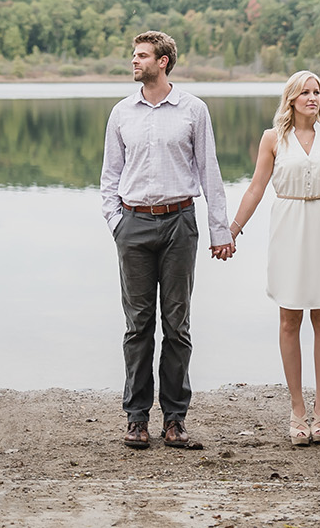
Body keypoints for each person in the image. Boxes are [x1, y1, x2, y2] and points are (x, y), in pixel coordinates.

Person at [101, 30, 235, 450]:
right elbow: (110, 176)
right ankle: (137, 419)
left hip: (180, 223)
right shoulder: (122, 112)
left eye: (141, 56)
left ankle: (175, 420)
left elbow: (209, 171)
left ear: (163, 61)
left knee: (177, 326)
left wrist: (220, 229)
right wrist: (116, 223)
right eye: (133, 56)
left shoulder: (193, 110)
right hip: (134, 226)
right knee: (138, 326)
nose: (134, 62)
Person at [228, 71, 320, 447]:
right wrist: (232, 229)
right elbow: (256, 187)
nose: (312, 98)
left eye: (317, 92)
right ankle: (297, 408)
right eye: (305, 92)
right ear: (291, 99)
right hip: (288, 227)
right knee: (289, 319)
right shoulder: (273, 139)